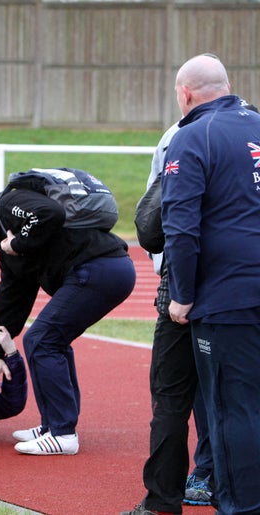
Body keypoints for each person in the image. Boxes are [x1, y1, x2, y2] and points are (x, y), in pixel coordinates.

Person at [0, 183, 136, 455]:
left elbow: (51, 213)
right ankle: (53, 425)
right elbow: (11, 296)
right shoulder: (7, 241)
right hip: (102, 269)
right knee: (51, 340)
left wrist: (17, 242)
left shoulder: (6, 205)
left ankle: (63, 433)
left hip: (101, 267)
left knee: (43, 339)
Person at [160, 54, 260, 514]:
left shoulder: (192, 135)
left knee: (231, 409)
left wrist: (181, 295)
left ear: (185, 94)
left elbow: (180, 227)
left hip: (227, 298)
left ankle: (240, 505)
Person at [123, 121, 214, 515]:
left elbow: (153, 220)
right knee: (236, 396)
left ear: (186, 94)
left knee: (171, 399)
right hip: (240, 284)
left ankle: (163, 500)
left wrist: (176, 285)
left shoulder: (180, 135)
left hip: (182, 287)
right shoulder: (251, 131)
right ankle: (226, 487)